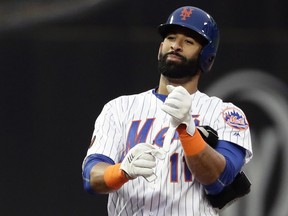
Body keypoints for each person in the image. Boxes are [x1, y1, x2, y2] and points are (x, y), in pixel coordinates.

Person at [82, 6, 253, 216]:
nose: (176, 46)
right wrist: (121, 171)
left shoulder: (223, 113)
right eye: (171, 38)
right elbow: (90, 177)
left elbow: (221, 177)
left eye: (188, 41)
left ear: (206, 57)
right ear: (160, 47)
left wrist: (187, 130)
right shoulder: (119, 108)